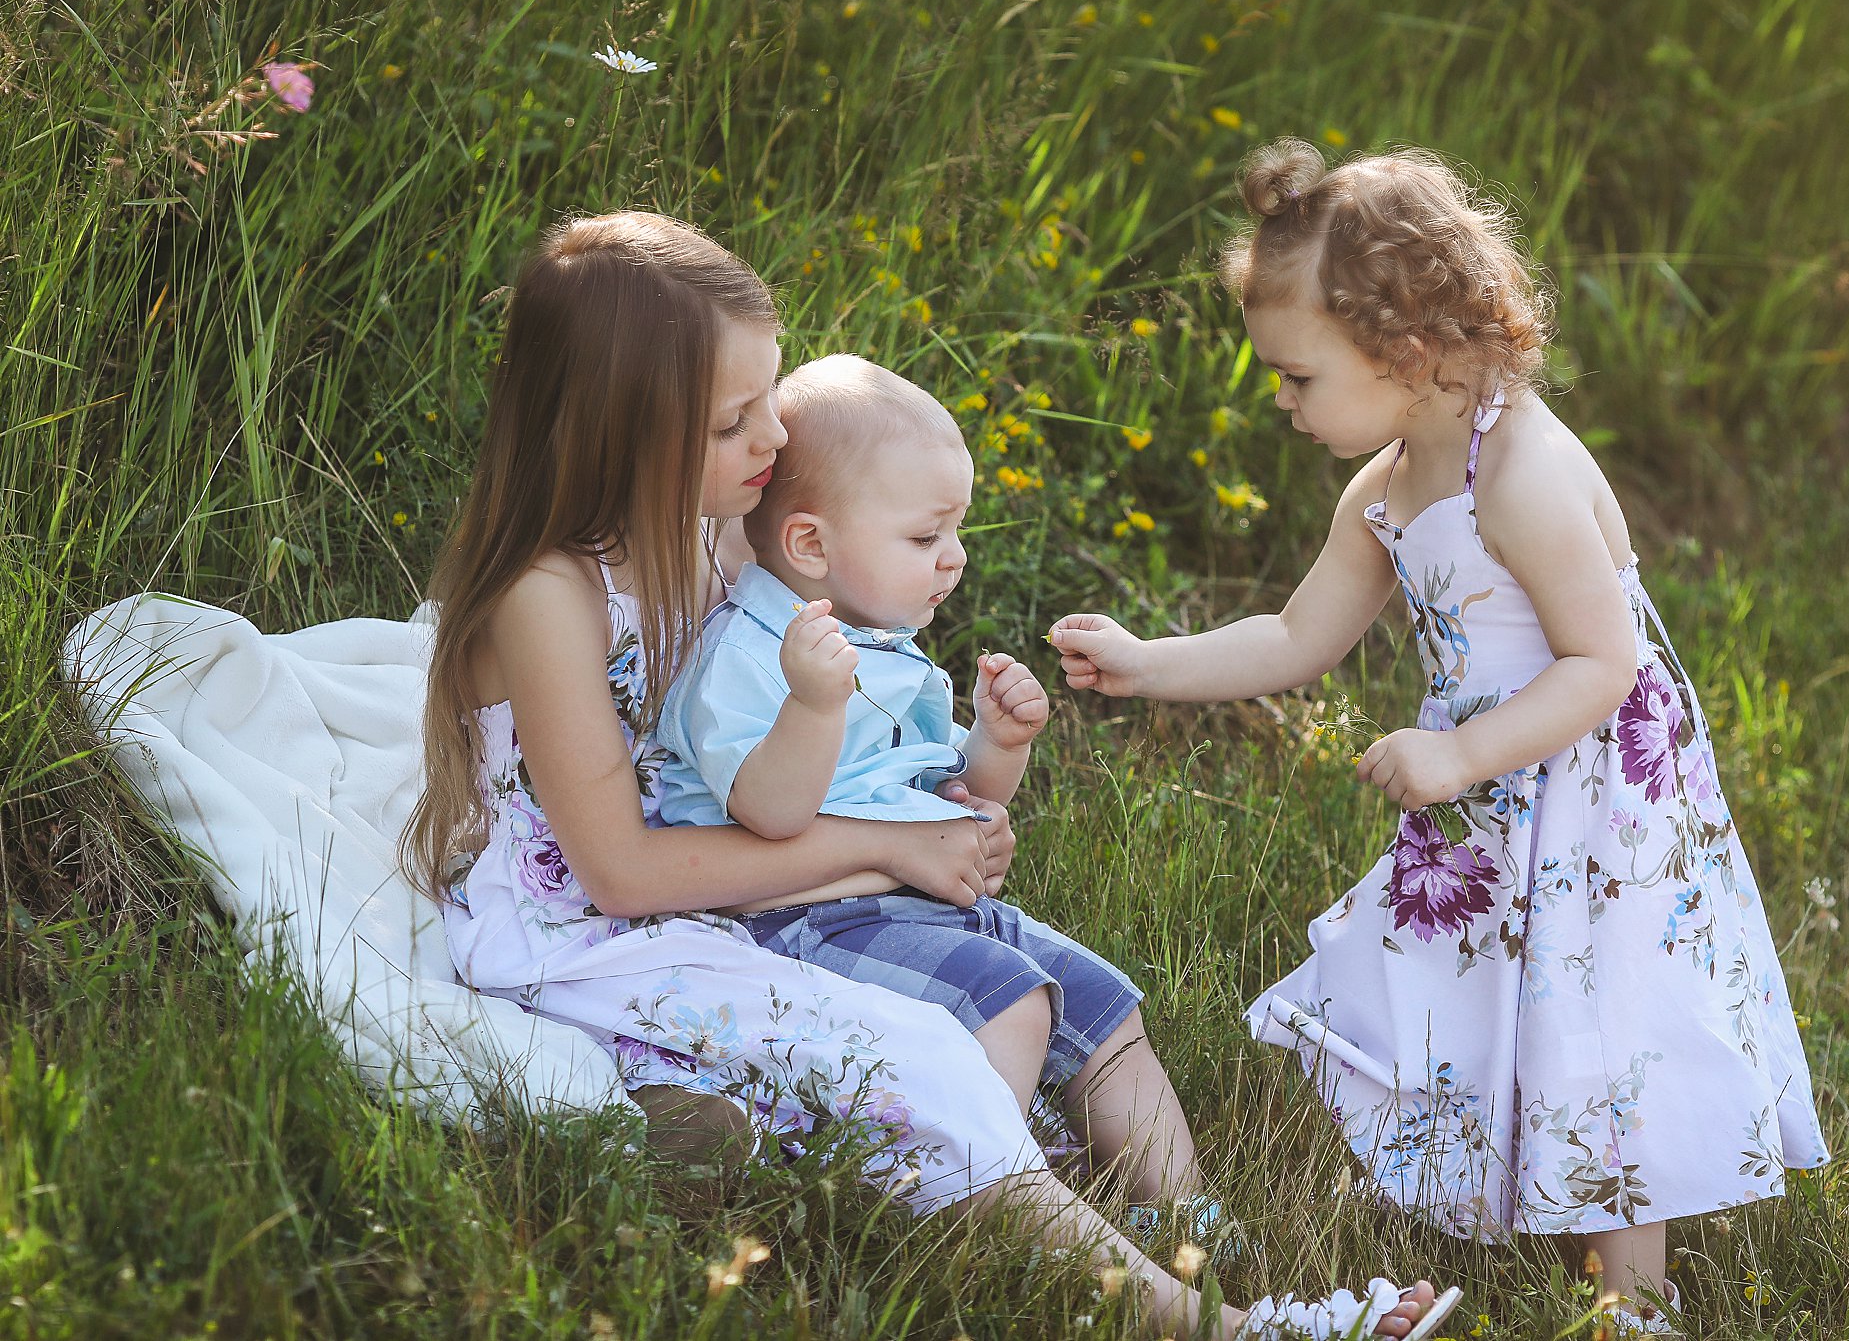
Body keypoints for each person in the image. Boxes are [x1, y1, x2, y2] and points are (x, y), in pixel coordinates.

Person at [402, 210, 1451, 1339]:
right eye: (732, 421)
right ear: (620, 431)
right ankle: (1222, 1323)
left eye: (769, 398)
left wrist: (952, 773)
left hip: (747, 874)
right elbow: (616, 872)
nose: (769, 437)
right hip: (594, 921)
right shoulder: (547, 597)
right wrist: (884, 845)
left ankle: (1151, 1221)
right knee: (925, 1055)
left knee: (1051, 1004)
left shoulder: (714, 535)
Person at [1049, 141, 1828, 1332]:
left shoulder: (1516, 471)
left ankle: (1632, 1297)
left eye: (1297, 376)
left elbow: (1601, 663)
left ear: (1402, 351)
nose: (1282, 400)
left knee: (1597, 1014)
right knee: (1484, 998)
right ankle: (1512, 1188)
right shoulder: (1388, 483)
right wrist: (1148, 664)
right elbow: (1296, 631)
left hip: (1592, 798)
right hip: (1499, 794)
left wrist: (1457, 754)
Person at [653, 352, 1228, 1249]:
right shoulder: (747, 655)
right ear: (811, 544)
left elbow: (948, 802)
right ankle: (967, 1208)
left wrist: (995, 749)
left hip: (912, 906)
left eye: (954, 532)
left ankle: (1193, 1228)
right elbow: (767, 813)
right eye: (926, 539)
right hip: (798, 922)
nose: (954, 559)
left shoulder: (883, 645)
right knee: (1009, 999)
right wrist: (812, 705)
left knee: (1102, 1006)